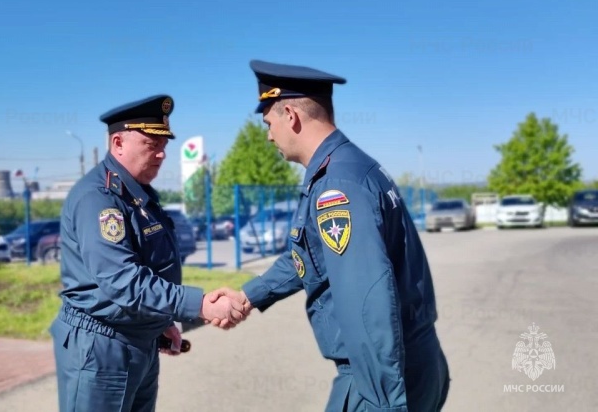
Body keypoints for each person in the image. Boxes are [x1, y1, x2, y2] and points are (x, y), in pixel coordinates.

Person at [209, 60, 450, 411]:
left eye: (268, 122)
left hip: (380, 378)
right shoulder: (350, 166)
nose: (268, 135)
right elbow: (311, 256)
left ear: (290, 114)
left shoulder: (336, 186)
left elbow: (368, 299)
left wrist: (384, 403)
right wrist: (249, 295)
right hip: (409, 362)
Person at [49, 94, 246, 412]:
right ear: (118, 143)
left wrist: (159, 323)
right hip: (102, 347)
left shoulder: (138, 194)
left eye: (164, 144)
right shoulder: (97, 199)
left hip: (137, 340)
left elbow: (150, 265)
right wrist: (199, 305)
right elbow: (122, 280)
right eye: (151, 143)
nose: (161, 153)